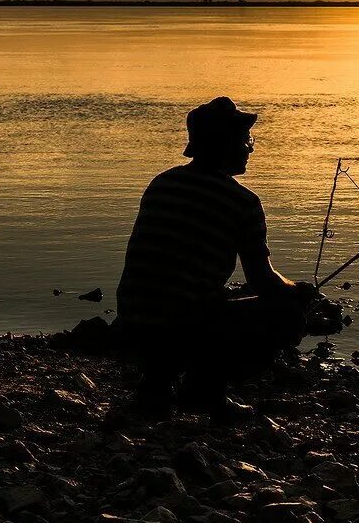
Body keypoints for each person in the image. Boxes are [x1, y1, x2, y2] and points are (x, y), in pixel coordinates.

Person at [116, 96, 339, 420]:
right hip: (177, 329)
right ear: (227, 145)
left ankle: (156, 387)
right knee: (286, 316)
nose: (250, 147)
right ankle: (206, 393)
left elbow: (165, 266)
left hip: (131, 325)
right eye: (245, 140)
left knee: (204, 296)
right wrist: (297, 292)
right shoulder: (241, 202)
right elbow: (262, 279)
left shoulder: (162, 183)